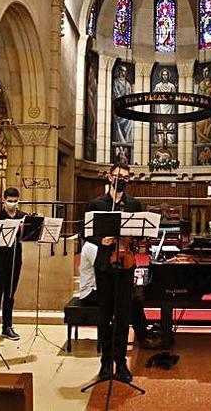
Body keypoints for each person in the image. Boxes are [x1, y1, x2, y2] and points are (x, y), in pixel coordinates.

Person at [85, 162, 142, 383]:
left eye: (126, 177)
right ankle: (105, 362)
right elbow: (86, 234)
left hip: (126, 263)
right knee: (105, 315)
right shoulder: (96, 204)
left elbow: (138, 234)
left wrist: (135, 239)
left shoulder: (133, 205)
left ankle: (121, 362)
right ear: (110, 177)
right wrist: (102, 239)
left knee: (123, 315)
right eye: (118, 176)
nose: (122, 180)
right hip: (104, 264)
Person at [0, 187, 26, 343]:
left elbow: (26, 237)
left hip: (16, 259)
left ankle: (7, 326)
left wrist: (23, 229)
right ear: (4, 200)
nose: (12, 203)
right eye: (10, 200)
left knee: (9, 295)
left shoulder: (22, 217)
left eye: (15, 201)